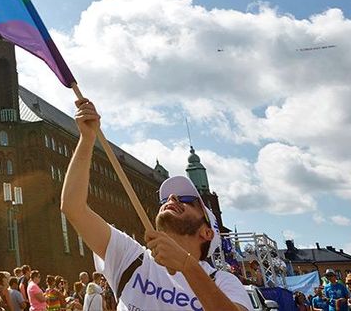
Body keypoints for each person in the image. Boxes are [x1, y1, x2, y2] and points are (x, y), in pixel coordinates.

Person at [62, 97, 250, 311]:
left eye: (186, 200)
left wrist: (187, 266)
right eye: (166, 199)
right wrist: (87, 139)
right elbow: (72, 207)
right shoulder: (132, 257)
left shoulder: (223, 282)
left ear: (207, 233)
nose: (171, 199)